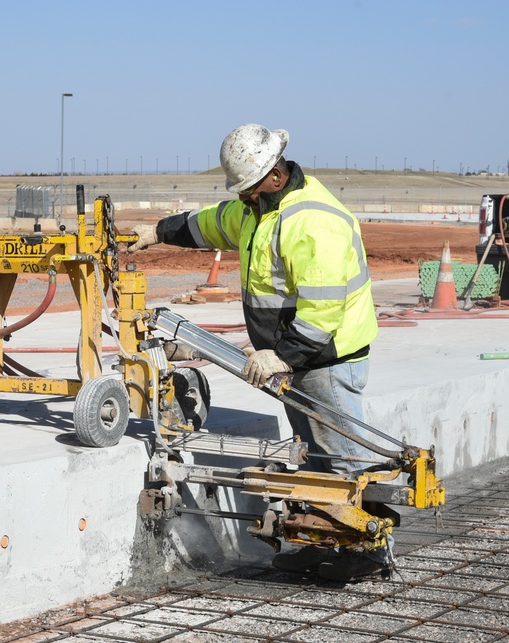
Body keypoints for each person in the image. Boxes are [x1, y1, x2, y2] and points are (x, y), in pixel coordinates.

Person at [128, 123, 387, 582]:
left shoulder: (313, 220)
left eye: (247, 188)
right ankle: (320, 538)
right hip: (298, 359)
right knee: (311, 454)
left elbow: (322, 310)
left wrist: (280, 355)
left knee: (343, 457)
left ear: (275, 174)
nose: (242, 197)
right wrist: (158, 231)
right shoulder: (257, 211)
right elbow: (206, 223)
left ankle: (367, 548)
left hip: (327, 358)